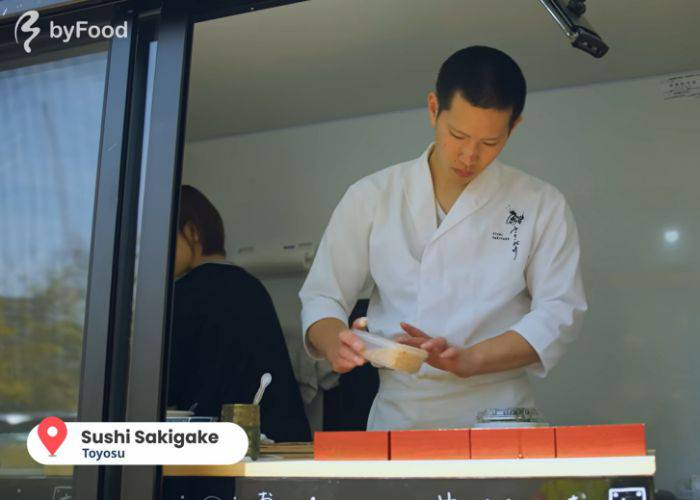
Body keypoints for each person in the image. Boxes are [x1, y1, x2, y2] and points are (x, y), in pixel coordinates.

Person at [299, 46, 587, 430]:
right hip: (401, 412)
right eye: (457, 135)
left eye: (490, 143)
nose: (469, 156)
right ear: (434, 108)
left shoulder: (540, 203)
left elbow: (559, 313)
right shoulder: (372, 195)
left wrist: (469, 360)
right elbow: (322, 296)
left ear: (514, 126)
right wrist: (335, 341)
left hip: (499, 414)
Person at [168, 185, 310, 442]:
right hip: (279, 439)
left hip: (216, 448)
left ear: (191, 232)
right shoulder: (249, 286)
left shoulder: (183, 295)